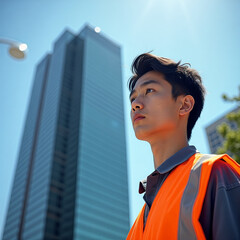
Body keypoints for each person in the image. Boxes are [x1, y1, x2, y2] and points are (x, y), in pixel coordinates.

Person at [126, 53, 240, 240]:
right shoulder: (138, 224)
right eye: (133, 99)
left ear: (184, 105)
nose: (136, 105)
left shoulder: (214, 173)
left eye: (149, 91)